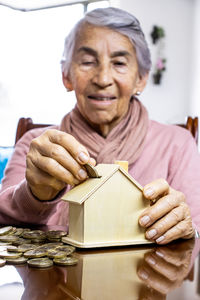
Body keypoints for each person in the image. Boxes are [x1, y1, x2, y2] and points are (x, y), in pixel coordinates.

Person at [0, 7, 199, 245]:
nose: (103, 79)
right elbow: (4, 224)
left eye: (119, 63)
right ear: (66, 74)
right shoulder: (36, 145)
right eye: (87, 62)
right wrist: (35, 194)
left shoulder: (178, 142)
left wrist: (185, 227)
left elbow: (194, 229)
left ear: (141, 78)